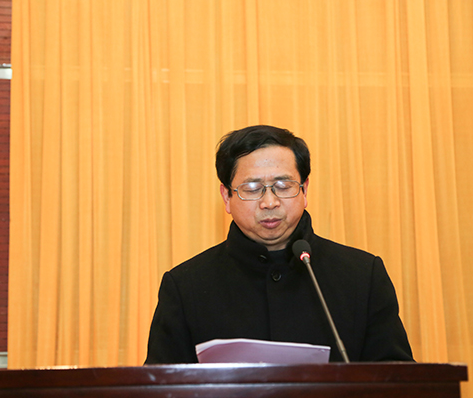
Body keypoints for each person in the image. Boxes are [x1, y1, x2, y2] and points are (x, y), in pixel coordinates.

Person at [145, 125, 413, 364]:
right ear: (226, 196)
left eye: (283, 185)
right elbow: (159, 387)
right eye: (252, 188)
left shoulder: (362, 276)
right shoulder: (186, 287)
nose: (269, 202)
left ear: (304, 190)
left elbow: (397, 381)